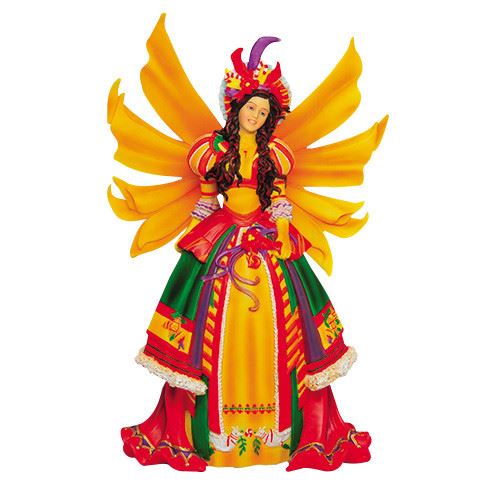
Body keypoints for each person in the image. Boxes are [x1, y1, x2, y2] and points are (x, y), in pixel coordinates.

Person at [108, 14, 387, 472]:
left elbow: (277, 198)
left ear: (269, 117)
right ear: (235, 107)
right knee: (202, 322)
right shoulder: (213, 151)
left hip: (265, 234)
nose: (254, 116)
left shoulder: (274, 155)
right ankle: (210, 428)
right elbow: (205, 197)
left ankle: (282, 430)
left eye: (262, 112)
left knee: (287, 317)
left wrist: (283, 228)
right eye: (249, 109)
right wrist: (192, 232)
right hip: (221, 235)